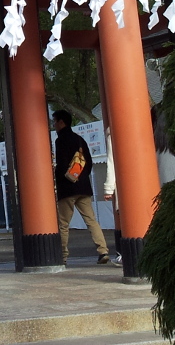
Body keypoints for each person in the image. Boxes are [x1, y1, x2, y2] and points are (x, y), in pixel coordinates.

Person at [52, 108, 110, 266]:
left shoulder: (60, 140)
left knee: (63, 223)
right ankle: (103, 250)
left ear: (61, 122)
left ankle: (62, 256)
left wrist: (64, 179)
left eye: (55, 121)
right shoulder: (79, 139)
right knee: (91, 220)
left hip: (67, 188)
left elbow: (62, 165)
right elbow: (88, 162)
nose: (54, 124)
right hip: (84, 187)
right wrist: (81, 178)